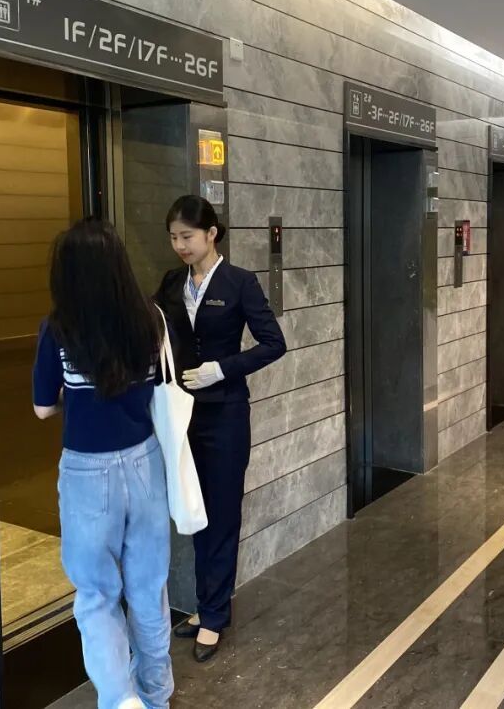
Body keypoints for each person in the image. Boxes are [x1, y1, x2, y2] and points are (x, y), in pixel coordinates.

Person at [33, 218, 172, 709]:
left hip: (87, 473)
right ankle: (155, 695)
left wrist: (78, 396)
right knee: (149, 588)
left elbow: (42, 407)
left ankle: (120, 699)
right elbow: (157, 388)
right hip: (145, 463)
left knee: (96, 596)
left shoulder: (58, 329)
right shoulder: (150, 319)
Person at [155, 195, 286, 662]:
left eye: (187, 236)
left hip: (225, 414)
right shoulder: (171, 283)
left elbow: (274, 344)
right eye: (174, 237)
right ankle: (205, 604)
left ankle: (214, 615)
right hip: (182, 413)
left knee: (223, 512)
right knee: (194, 510)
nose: (180, 246)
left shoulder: (239, 282)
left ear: (212, 234)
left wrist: (223, 369)